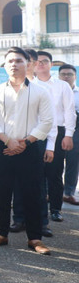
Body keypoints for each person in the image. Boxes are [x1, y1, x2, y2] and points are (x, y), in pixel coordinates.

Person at [0, 47, 53, 255]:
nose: (14, 64)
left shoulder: (40, 91)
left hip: (30, 148)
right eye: (10, 61)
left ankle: (34, 238)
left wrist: (25, 142)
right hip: (3, 148)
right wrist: (7, 141)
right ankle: (1, 233)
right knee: (2, 192)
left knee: (32, 193)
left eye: (19, 61)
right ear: (5, 65)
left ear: (29, 64)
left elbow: (47, 121)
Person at [32, 51, 75, 225]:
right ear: (33, 65)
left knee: (55, 173)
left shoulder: (62, 86)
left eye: (45, 61)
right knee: (35, 174)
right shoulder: (29, 85)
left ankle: (55, 209)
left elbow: (69, 111)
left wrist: (69, 135)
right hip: (34, 134)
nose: (41, 64)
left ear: (51, 64)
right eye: (38, 61)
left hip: (58, 133)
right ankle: (36, 209)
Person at [58, 64, 79, 205]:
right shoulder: (53, 92)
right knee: (53, 161)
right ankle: (50, 192)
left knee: (73, 161)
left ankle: (69, 192)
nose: (66, 77)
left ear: (75, 76)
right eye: (63, 74)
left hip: (76, 130)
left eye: (69, 74)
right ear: (59, 76)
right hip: (56, 129)